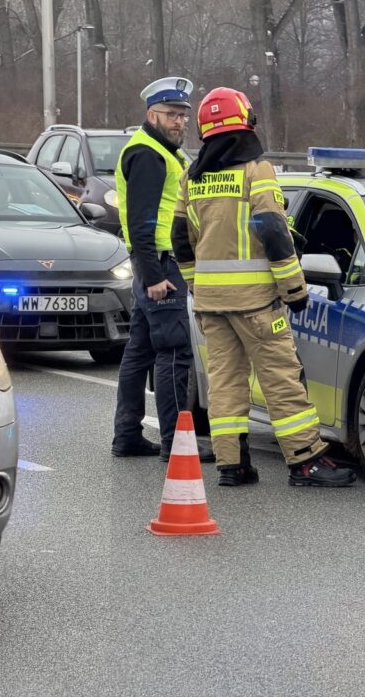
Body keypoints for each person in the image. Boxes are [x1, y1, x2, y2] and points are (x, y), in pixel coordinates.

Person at [172, 86, 355, 487]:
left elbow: (180, 240)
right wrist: (294, 289)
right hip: (256, 303)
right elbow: (273, 230)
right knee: (281, 378)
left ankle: (232, 465)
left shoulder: (191, 178)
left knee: (224, 382)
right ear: (246, 123)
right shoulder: (257, 171)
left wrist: (196, 285)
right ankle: (305, 461)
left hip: (211, 304)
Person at [111, 76, 212, 462]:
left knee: (140, 351)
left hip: (156, 263)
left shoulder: (163, 152)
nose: (179, 122)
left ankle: (127, 435)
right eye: (171, 114)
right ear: (151, 115)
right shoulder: (148, 155)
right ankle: (176, 442)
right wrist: (153, 276)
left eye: (183, 115)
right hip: (161, 265)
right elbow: (141, 222)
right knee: (174, 352)